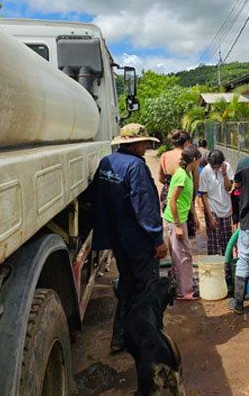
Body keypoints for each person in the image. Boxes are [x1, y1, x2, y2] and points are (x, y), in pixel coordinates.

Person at [89, 124, 167, 353]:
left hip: (117, 240)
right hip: (139, 242)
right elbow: (144, 207)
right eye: (143, 142)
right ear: (132, 144)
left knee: (127, 286)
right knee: (145, 292)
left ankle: (119, 336)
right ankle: (146, 340)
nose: (146, 146)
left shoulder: (107, 163)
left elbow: (96, 196)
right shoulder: (136, 167)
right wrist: (157, 240)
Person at [164, 145, 200, 301]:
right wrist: (178, 225)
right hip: (175, 219)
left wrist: (195, 217)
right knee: (182, 255)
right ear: (194, 159)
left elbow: (188, 199)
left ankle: (182, 283)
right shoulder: (181, 176)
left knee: (184, 253)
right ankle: (183, 291)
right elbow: (172, 201)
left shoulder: (188, 174)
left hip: (182, 217)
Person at [159, 130, 200, 239]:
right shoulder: (190, 158)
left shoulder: (164, 156)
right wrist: (192, 199)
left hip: (166, 195)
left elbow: (160, 178)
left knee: (172, 232)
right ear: (186, 143)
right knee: (182, 231)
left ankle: (174, 254)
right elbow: (196, 182)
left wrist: (170, 185)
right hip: (182, 198)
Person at [199, 150, 234, 256]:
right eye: (213, 166)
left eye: (217, 166)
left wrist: (224, 174)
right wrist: (209, 216)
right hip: (212, 208)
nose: (215, 168)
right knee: (214, 241)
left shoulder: (227, 167)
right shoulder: (205, 172)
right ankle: (214, 266)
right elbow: (204, 195)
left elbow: (228, 188)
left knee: (227, 240)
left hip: (225, 208)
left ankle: (227, 265)